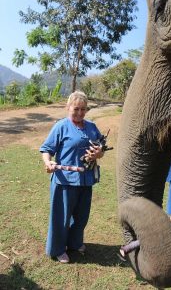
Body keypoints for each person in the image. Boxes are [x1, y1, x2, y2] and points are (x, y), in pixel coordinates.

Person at [40, 90, 104, 263]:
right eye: (76, 109)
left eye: (83, 109)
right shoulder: (61, 126)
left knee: (81, 216)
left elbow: (101, 147)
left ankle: (75, 243)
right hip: (65, 180)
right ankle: (58, 249)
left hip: (86, 179)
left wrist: (99, 154)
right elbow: (46, 149)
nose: (80, 113)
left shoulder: (91, 126)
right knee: (62, 217)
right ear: (68, 108)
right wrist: (48, 162)